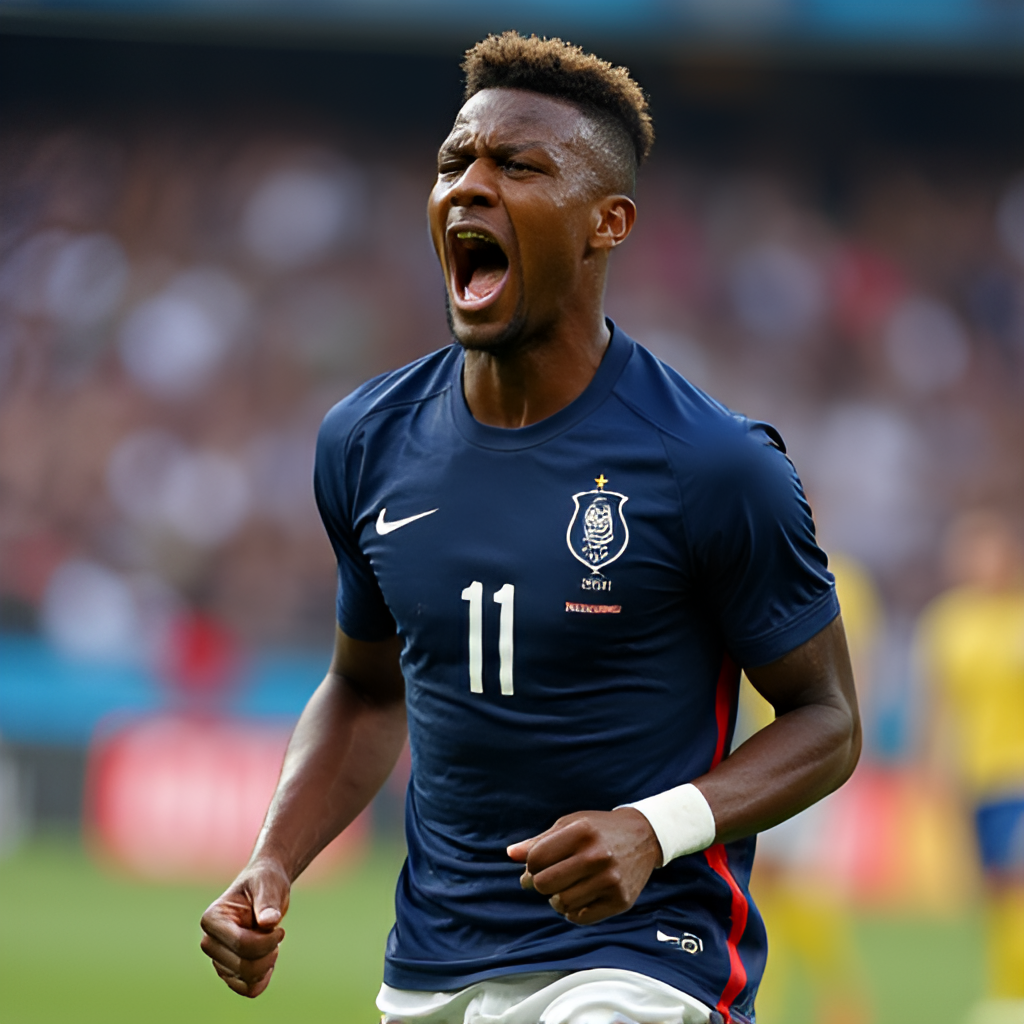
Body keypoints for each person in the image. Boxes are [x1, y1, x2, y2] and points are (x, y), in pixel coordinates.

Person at [200, 33, 861, 1024]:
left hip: (643, 954)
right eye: (453, 162)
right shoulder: (366, 440)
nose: (468, 185)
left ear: (608, 222)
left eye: (516, 165)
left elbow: (828, 717)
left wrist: (654, 826)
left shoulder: (713, 465)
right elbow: (364, 687)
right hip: (433, 961)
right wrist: (272, 860)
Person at [917, 510, 1024, 1024]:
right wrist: (933, 767)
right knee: (992, 890)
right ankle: (1004, 990)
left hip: (1016, 775)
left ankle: (1010, 994)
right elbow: (937, 704)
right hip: (973, 778)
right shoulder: (948, 620)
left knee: (1013, 881)